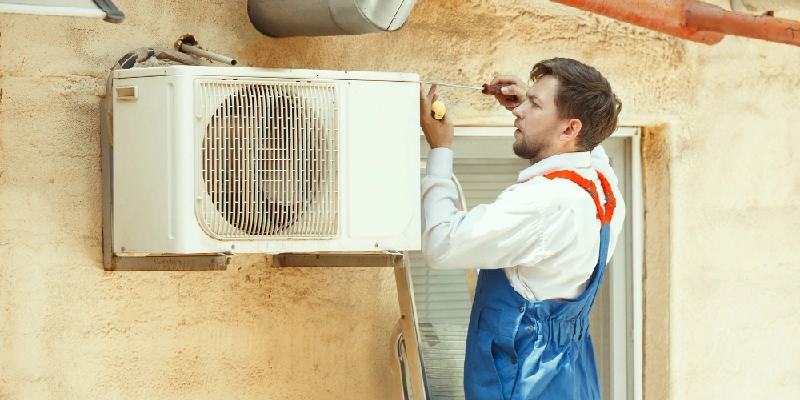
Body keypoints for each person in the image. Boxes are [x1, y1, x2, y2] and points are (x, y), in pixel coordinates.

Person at [418, 57, 625, 399]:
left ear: (570, 129)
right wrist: (536, 105)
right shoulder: (603, 185)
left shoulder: (543, 200)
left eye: (535, 104)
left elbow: (442, 245)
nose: (519, 111)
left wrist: (440, 150)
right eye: (525, 100)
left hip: (524, 380)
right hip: (574, 379)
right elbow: (591, 142)